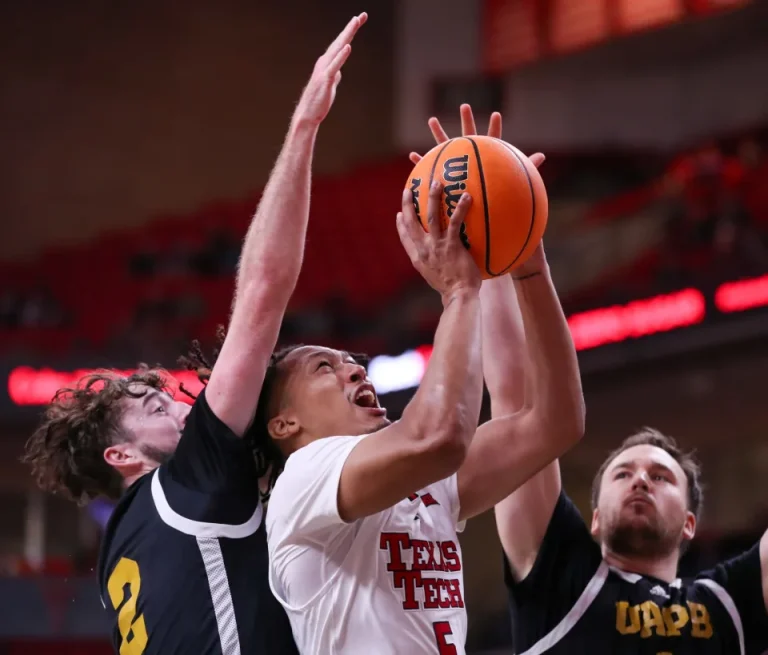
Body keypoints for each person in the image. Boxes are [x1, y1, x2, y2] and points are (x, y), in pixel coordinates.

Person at [21, 13, 367, 655]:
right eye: (156, 407)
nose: (183, 408)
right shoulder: (183, 481)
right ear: (121, 457)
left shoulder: (125, 547)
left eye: (171, 398)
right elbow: (262, 296)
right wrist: (303, 127)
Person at [260, 108, 585, 653]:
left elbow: (554, 422)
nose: (354, 368)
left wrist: (526, 263)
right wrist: (460, 293)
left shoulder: (424, 481)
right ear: (284, 423)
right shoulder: (302, 481)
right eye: (325, 367)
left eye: (348, 360)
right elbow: (438, 436)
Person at [478, 125, 768, 653]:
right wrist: (500, 252)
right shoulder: (560, 577)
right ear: (592, 518)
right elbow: (515, 400)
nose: (641, 481)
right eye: (624, 473)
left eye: (661, 476)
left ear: (688, 523)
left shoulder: (730, 601)